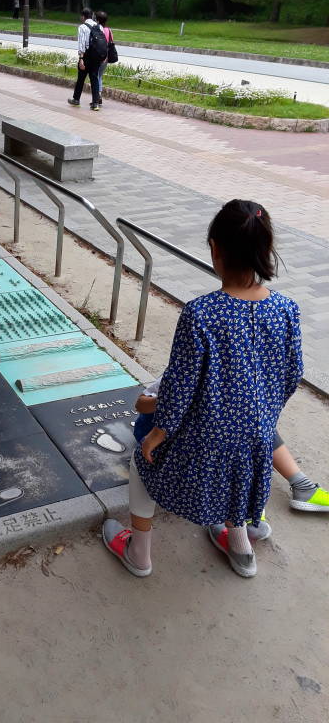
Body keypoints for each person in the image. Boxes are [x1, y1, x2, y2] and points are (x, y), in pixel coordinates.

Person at [102, 199, 305, 579]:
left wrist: (157, 433)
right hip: (257, 438)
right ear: (266, 248)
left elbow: (177, 390)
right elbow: (292, 374)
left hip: (204, 443)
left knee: (143, 461)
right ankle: (241, 550)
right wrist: (257, 413)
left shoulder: (201, 313)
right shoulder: (287, 309)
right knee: (238, 476)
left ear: (214, 248)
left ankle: (139, 553)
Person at [134, 378, 328, 535]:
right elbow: (141, 405)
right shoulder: (183, 375)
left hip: (201, 440)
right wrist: (179, 396)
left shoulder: (231, 382)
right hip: (167, 439)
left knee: (252, 424)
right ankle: (244, 518)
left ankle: (294, 489)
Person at [67, 8, 108, 111]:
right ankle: (95, 104)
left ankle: (76, 100)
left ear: (83, 16)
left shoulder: (82, 27)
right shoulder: (99, 26)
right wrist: (103, 56)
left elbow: (81, 44)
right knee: (94, 78)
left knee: (81, 78)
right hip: (97, 56)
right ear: (92, 15)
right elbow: (103, 42)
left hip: (86, 56)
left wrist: (81, 58)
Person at [94, 10, 113, 106]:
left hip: (98, 57)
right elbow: (111, 44)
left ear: (97, 20)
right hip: (106, 58)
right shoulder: (109, 30)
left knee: (96, 76)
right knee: (99, 76)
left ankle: (97, 96)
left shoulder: (96, 29)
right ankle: (99, 95)